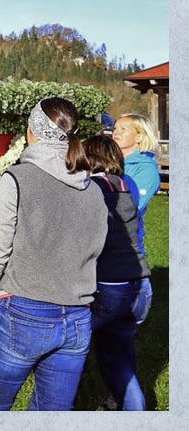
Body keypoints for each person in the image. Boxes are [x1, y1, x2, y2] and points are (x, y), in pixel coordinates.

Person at [0, 98, 108, 411]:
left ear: (31, 131)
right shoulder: (95, 190)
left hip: (24, 313)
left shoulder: (17, 178)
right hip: (77, 319)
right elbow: (97, 249)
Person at [83, 135, 151, 411]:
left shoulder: (91, 188)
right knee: (120, 357)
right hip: (141, 286)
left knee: (66, 352)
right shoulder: (129, 184)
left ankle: (59, 404)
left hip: (109, 286)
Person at [112, 113, 161, 254]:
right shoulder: (108, 161)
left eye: (123, 129)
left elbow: (133, 206)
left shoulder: (146, 169)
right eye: (115, 128)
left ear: (139, 137)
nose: (116, 133)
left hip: (126, 242)